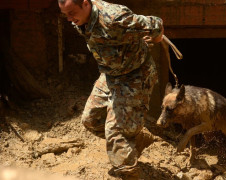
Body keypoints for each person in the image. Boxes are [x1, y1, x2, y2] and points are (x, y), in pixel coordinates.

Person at [58, 0, 164, 179]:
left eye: (71, 13)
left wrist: (156, 36)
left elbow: (156, 25)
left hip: (135, 76)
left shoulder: (114, 18)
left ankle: (128, 173)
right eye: (65, 15)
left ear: (85, 4)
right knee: (91, 120)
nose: (69, 19)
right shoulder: (81, 19)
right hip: (110, 75)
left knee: (115, 132)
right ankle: (139, 140)